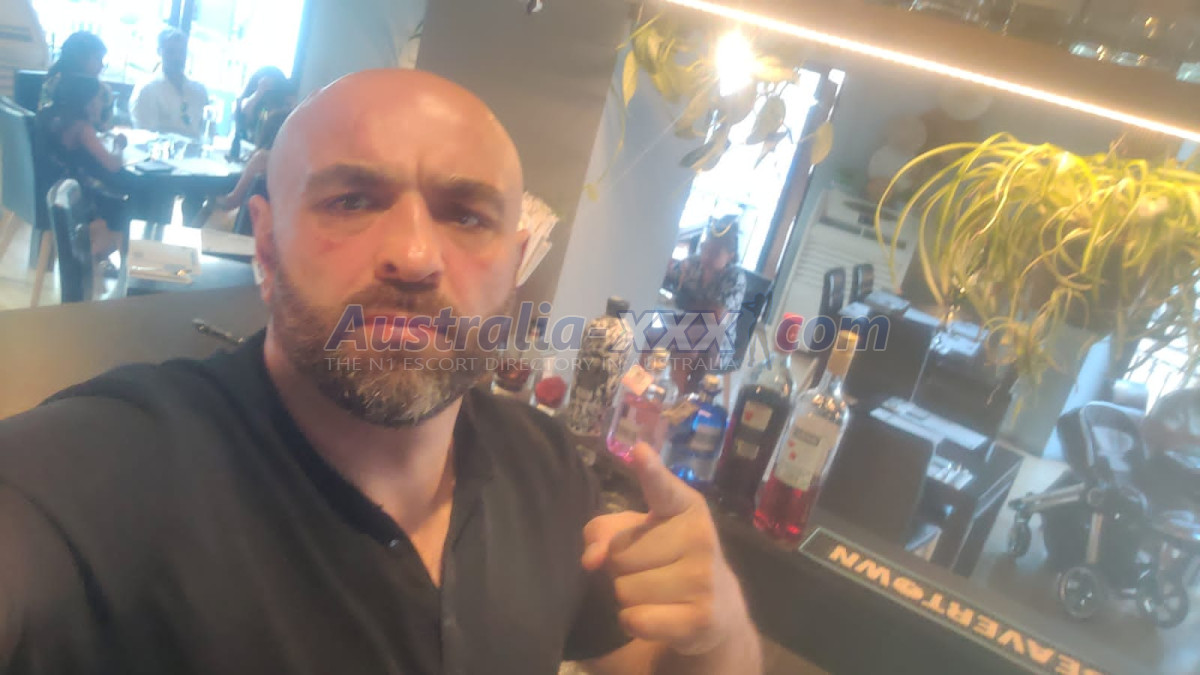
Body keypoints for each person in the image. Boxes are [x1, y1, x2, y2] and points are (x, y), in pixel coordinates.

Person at [0, 69, 761, 674]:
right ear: (266, 246)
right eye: (353, 201)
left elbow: (656, 659)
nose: (416, 256)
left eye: (466, 215)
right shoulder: (119, 470)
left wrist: (718, 625)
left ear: (516, 264)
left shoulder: (547, 469)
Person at [35, 74, 128, 260]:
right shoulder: (81, 127)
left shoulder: (49, 115)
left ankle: (93, 255)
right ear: (88, 102)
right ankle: (93, 258)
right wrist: (119, 146)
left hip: (48, 191)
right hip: (72, 198)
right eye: (99, 99)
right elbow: (113, 165)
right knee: (125, 205)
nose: (101, 104)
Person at [671, 215, 747, 392]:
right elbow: (673, 286)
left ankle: (684, 398)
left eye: (715, 253)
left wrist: (689, 300)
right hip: (688, 327)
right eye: (705, 248)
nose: (706, 256)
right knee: (652, 337)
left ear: (730, 256)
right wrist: (675, 274)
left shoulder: (735, 277)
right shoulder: (695, 263)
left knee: (688, 349)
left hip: (720, 341)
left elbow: (715, 317)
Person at [130, 28, 209, 138]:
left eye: (182, 52)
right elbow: (144, 134)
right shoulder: (147, 89)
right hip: (158, 148)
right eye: (171, 51)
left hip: (196, 148)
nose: (177, 57)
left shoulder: (199, 91)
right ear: (159, 52)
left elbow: (206, 132)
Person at [38, 31, 114, 131]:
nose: (101, 65)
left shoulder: (103, 90)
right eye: (97, 58)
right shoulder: (54, 86)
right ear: (80, 58)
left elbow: (104, 125)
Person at [234, 66, 296, 145]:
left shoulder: (281, 105)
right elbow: (245, 109)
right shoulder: (251, 101)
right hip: (248, 144)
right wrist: (260, 91)